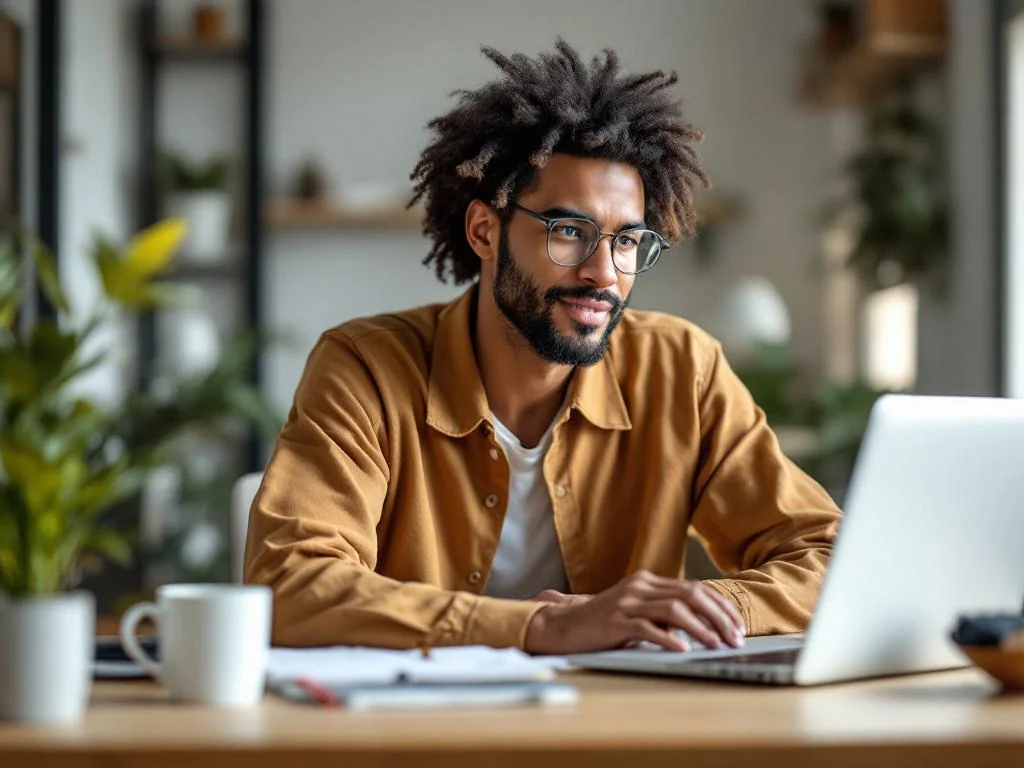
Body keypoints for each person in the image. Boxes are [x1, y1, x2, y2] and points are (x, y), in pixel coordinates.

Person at [244, 40, 841, 655]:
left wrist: (709, 607)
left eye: (628, 241)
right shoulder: (365, 369)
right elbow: (289, 584)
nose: (604, 273)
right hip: (422, 736)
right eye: (569, 232)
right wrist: (540, 628)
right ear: (484, 230)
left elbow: (827, 555)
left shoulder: (683, 369)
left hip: (623, 733)